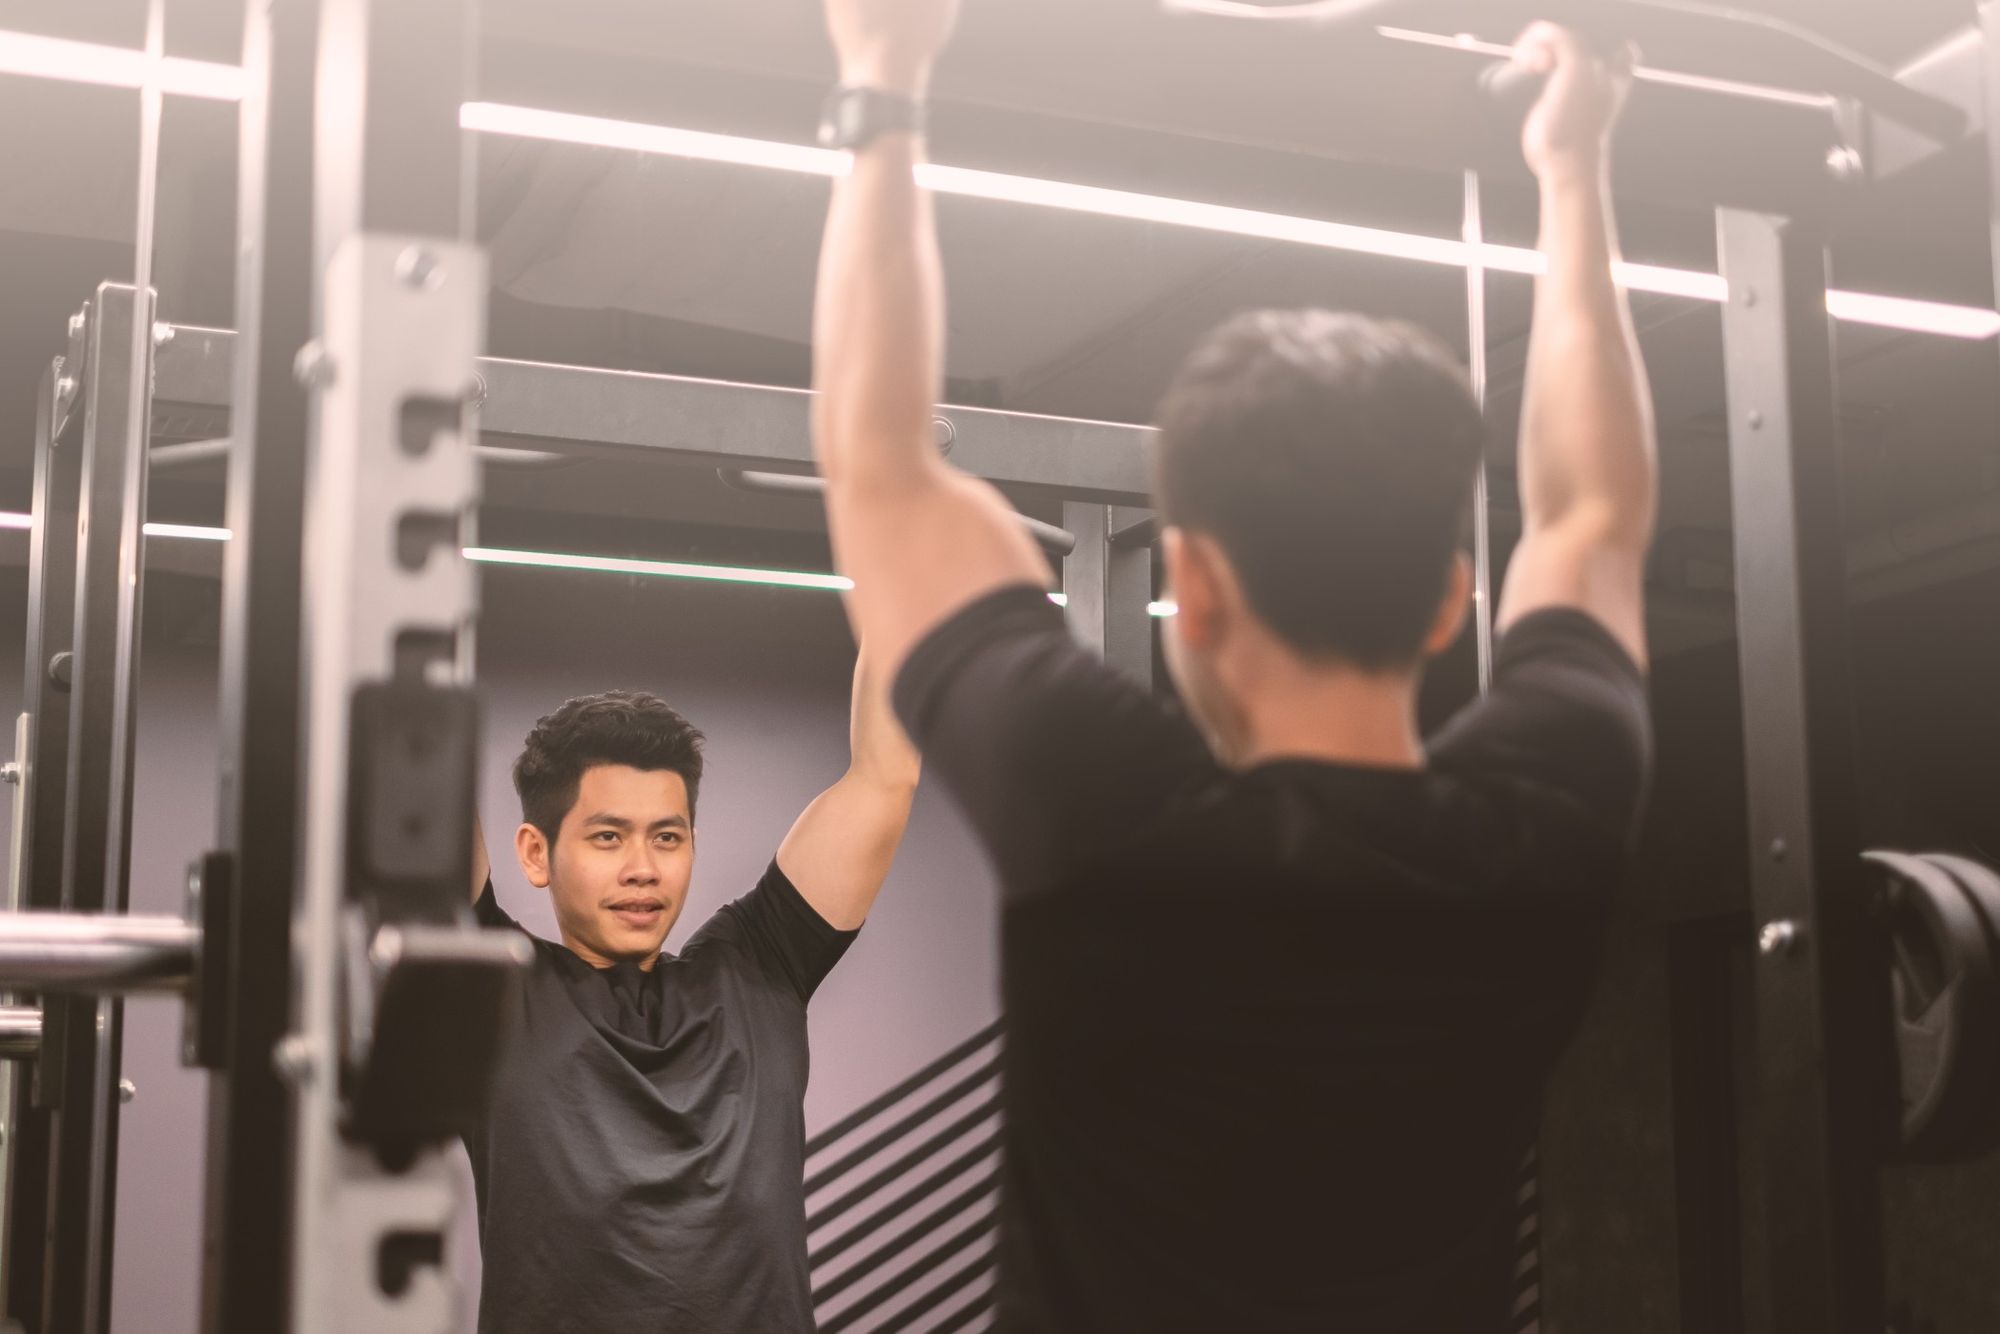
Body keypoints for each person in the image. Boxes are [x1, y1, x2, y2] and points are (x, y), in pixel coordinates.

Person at [808, 4, 1655, 1329]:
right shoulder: (1539, 834)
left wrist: (884, 71)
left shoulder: (1110, 826)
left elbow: (878, 464)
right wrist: (1576, 167)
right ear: (1449, 600)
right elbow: (1592, 514)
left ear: (1190, 585)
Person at [462, 654, 919, 1334]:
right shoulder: (488, 983)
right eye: (608, 837)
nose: (643, 869)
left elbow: (886, 777)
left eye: (666, 838)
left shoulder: (762, 966)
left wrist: (898, 561)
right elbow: (405, 775)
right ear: (535, 853)